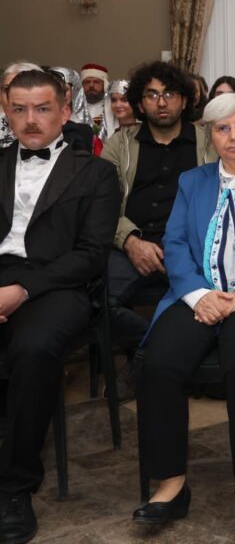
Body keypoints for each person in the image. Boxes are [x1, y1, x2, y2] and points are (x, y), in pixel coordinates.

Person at [131, 92, 235, 528]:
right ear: (210, 136)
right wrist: (197, 295)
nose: (233, 136)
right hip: (197, 295)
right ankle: (171, 483)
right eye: (222, 128)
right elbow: (174, 243)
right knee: (159, 363)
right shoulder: (192, 181)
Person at [0, 69, 119, 543]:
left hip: (60, 285)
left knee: (32, 349)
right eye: (20, 109)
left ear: (65, 111)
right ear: (7, 112)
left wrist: (23, 289)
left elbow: (91, 255)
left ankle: (15, 487)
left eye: (43, 108)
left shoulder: (96, 172)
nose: (31, 119)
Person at [101, 61, 215, 349]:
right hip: (130, 247)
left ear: (185, 100)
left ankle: (156, 358)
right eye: (152, 95)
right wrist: (129, 241)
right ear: (140, 103)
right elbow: (100, 204)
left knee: (209, 305)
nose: (161, 103)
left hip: (192, 250)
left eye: (170, 94)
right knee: (95, 302)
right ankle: (154, 352)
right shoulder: (119, 145)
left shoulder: (209, 144)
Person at [80, 62, 109, 129]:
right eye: (87, 82)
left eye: (96, 82)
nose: (91, 85)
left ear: (104, 85)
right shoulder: (73, 109)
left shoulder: (113, 107)